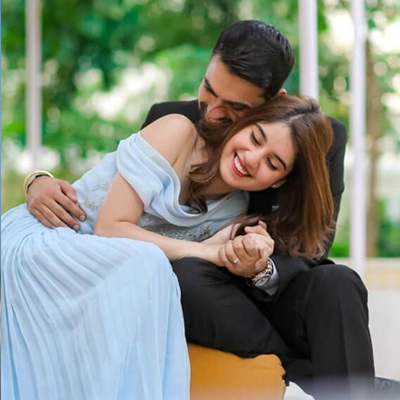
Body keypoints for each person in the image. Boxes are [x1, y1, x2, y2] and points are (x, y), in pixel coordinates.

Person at [22, 21, 378, 399]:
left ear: (273, 101)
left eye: (236, 106)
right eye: (209, 88)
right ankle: (300, 370)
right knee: (184, 275)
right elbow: (114, 199)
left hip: (276, 285)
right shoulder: (171, 118)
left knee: (339, 282)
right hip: (206, 287)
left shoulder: (322, 137)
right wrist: (38, 180)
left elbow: (313, 246)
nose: (212, 112)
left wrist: (262, 268)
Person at [2, 95, 333, 400]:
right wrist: (209, 252)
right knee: (148, 265)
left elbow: (183, 258)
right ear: (243, 123)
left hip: (99, 278)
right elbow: (109, 229)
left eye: (272, 163)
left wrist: (248, 252)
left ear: (279, 181)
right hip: (48, 241)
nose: (251, 158)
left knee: (151, 275)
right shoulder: (177, 131)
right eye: (255, 138)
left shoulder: (235, 210)